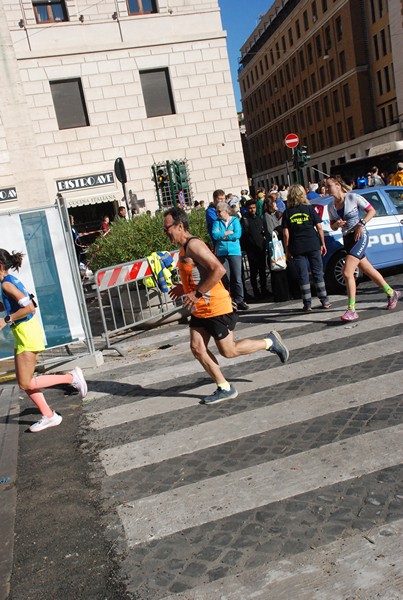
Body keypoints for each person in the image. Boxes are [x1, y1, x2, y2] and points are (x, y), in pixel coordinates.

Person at [163, 207, 289, 405]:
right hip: (201, 308)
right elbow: (198, 274)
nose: (165, 233)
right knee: (197, 348)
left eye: (167, 228)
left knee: (229, 351)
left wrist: (196, 293)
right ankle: (224, 387)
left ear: (179, 226)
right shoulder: (183, 249)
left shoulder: (194, 245)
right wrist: (184, 287)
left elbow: (218, 270)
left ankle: (270, 342)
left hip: (215, 306)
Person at [0, 249, 88, 432]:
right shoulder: (8, 282)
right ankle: (48, 415)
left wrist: (6, 319)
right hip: (23, 333)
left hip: (27, 333)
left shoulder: (6, 285)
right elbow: (19, 303)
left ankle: (71, 378)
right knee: (24, 381)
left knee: (25, 383)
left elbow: (30, 308)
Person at [326, 176, 401, 321]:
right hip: (347, 238)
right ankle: (392, 293)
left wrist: (361, 223)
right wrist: (337, 224)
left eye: (329, 186)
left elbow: (371, 211)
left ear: (337, 186)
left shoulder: (353, 197)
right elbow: (332, 225)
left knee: (347, 272)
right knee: (368, 269)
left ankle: (351, 310)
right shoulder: (331, 206)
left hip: (359, 236)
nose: (327, 189)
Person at [282, 184, 331, 312]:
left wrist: (287, 250)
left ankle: (307, 304)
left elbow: (286, 234)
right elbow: (319, 227)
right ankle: (324, 300)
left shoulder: (287, 212)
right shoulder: (309, 209)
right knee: (317, 273)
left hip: (297, 246)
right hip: (313, 243)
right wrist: (322, 243)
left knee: (303, 276)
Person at [211, 201, 248, 310]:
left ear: (226, 211)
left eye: (219, 211)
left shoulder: (235, 220)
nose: (217, 213)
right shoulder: (216, 222)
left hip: (234, 251)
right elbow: (215, 235)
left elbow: (237, 234)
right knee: (225, 278)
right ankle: (227, 299)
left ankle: (239, 299)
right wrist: (227, 233)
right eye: (216, 211)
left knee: (237, 277)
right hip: (221, 252)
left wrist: (223, 235)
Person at [241, 199, 268, 299]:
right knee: (253, 272)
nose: (252, 210)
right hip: (251, 249)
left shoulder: (259, 218)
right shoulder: (244, 220)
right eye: (250, 208)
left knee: (262, 270)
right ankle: (256, 291)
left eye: (254, 208)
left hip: (261, 248)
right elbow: (243, 235)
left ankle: (264, 289)